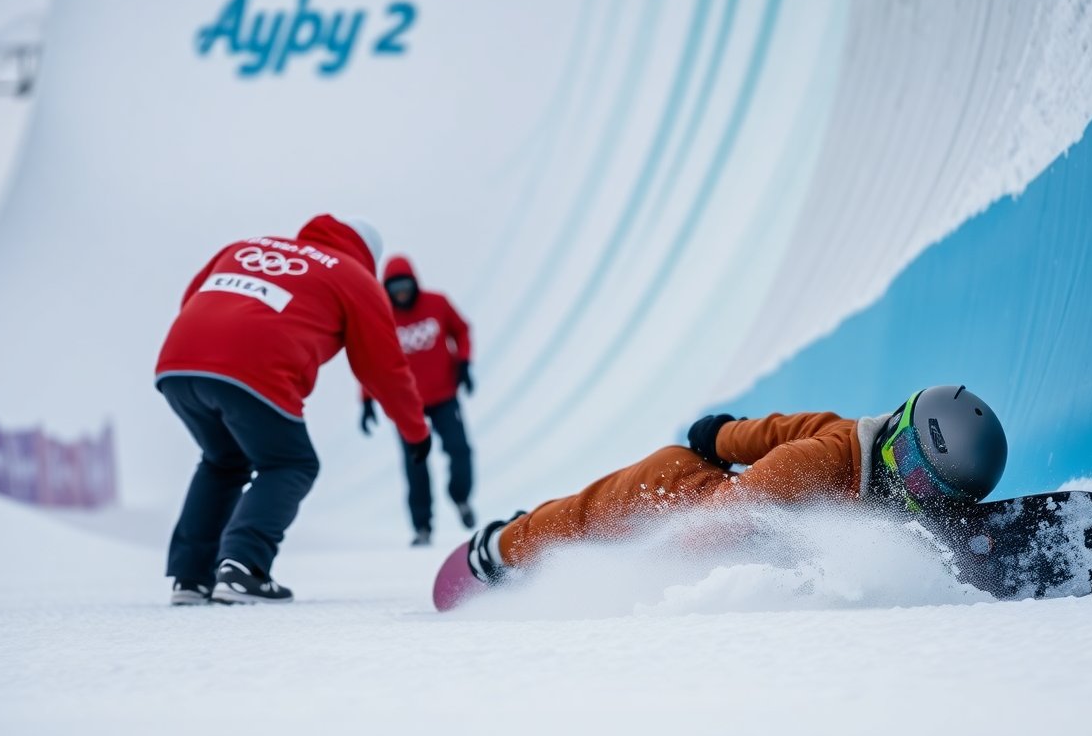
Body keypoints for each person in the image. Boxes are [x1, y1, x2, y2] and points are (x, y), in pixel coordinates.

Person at [444, 385, 1007, 606]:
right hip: (667, 492)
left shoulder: (846, 432)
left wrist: (718, 434)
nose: (909, 489)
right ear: (895, 434)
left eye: (930, 492)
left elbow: (776, 428)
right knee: (576, 522)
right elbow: (718, 521)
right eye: (905, 467)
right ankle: (497, 547)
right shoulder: (814, 465)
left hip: (714, 479)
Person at [155, 215, 430, 605]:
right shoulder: (354, 276)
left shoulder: (246, 245)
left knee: (223, 460)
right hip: (251, 369)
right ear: (369, 257)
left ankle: (191, 579)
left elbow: (193, 298)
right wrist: (415, 431)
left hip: (178, 363)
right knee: (290, 463)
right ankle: (244, 568)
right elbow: (383, 367)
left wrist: (203, 352)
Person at [359, 254, 476, 546]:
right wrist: (366, 400)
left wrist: (464, 363)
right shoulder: (380, 315)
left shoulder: (437, 303)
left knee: (459, 450)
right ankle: (422, 528)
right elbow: (370, 360)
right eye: (394, 286)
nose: (400, 291)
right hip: (406, 407)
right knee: (416, 467)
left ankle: (460, 498)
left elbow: (461, 330)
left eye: (405, 284)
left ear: (414, 283)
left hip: (445, 397)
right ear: (385, 288)